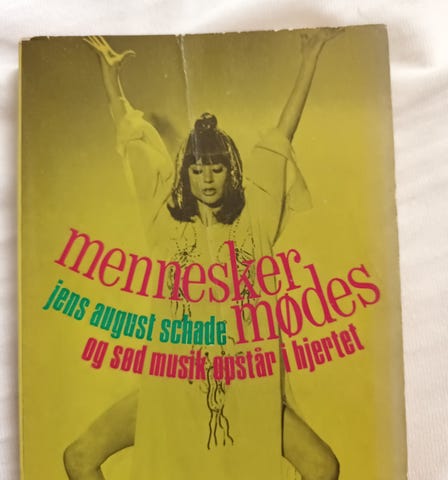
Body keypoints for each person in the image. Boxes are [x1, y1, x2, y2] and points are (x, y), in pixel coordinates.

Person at [64, 30, 343, 480]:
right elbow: (134, 143)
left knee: (321, 466)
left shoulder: (255, 220)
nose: (208, 178)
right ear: (186, 176)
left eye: (216, 168)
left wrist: (310, 57)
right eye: (197, 169)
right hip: (173, 388)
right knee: (80, 456)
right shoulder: (163, 224)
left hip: (246, 390)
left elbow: (281, 135)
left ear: (231, 173)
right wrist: (111, 80)